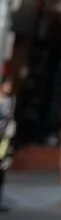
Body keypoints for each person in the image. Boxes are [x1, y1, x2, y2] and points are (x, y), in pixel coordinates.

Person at [0, 76, 15, 211]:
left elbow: (11, 118)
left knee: (2, 168)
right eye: (7, 85)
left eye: (10, 86)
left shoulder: (11, 100)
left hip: (4, 139)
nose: (9, 88)